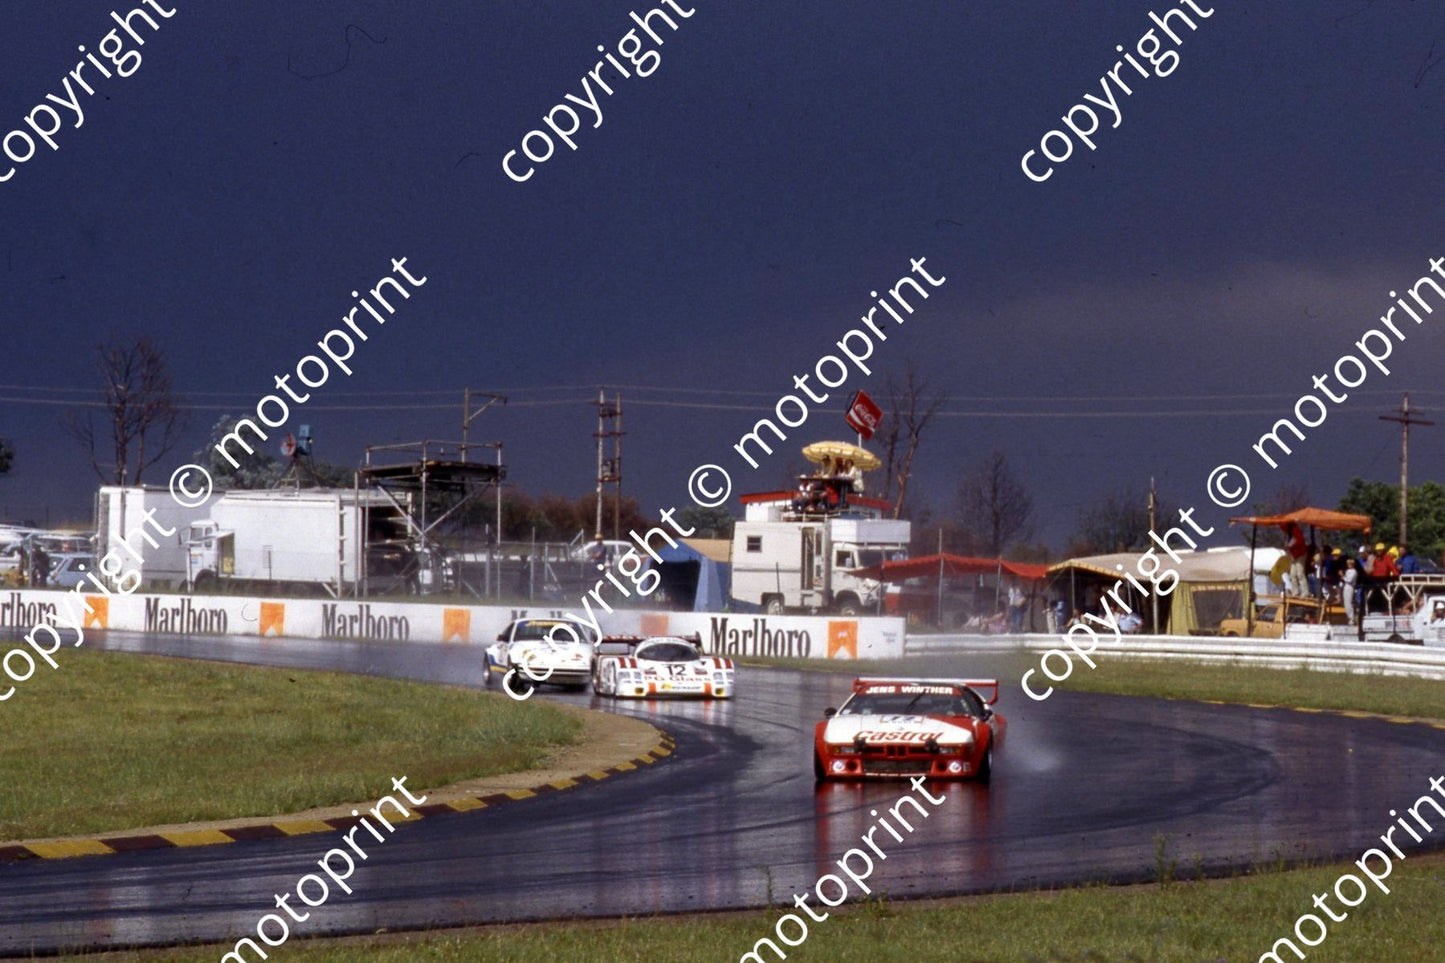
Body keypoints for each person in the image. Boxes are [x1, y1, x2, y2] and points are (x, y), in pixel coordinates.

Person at [1341, 557, 1358, 623]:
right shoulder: (1348, 571)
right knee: (1346, 603)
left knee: (1348, 602)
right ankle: (1349, 617)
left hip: (1350, 587)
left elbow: (1349, 580)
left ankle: (1352, 618)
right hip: (1346, 587)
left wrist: (1342, 576)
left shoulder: (1354, 571)